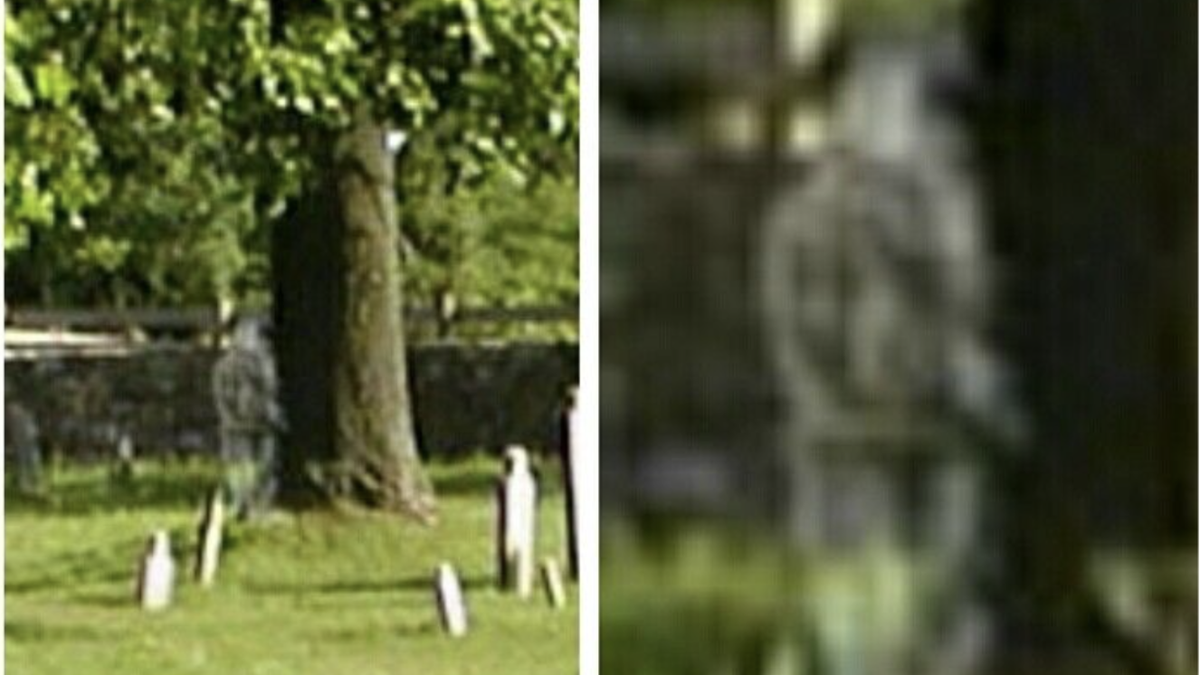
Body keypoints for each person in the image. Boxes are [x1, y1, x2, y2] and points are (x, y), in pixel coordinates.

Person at [212, 315, 283, 519]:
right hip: (240, 422)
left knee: (264, 461)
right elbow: (223, 392)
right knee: (239, 463)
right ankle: (243, 502)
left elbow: (270, 389)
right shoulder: (229, 364)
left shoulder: (263, 360)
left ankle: (257, 503)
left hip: (260, 421)